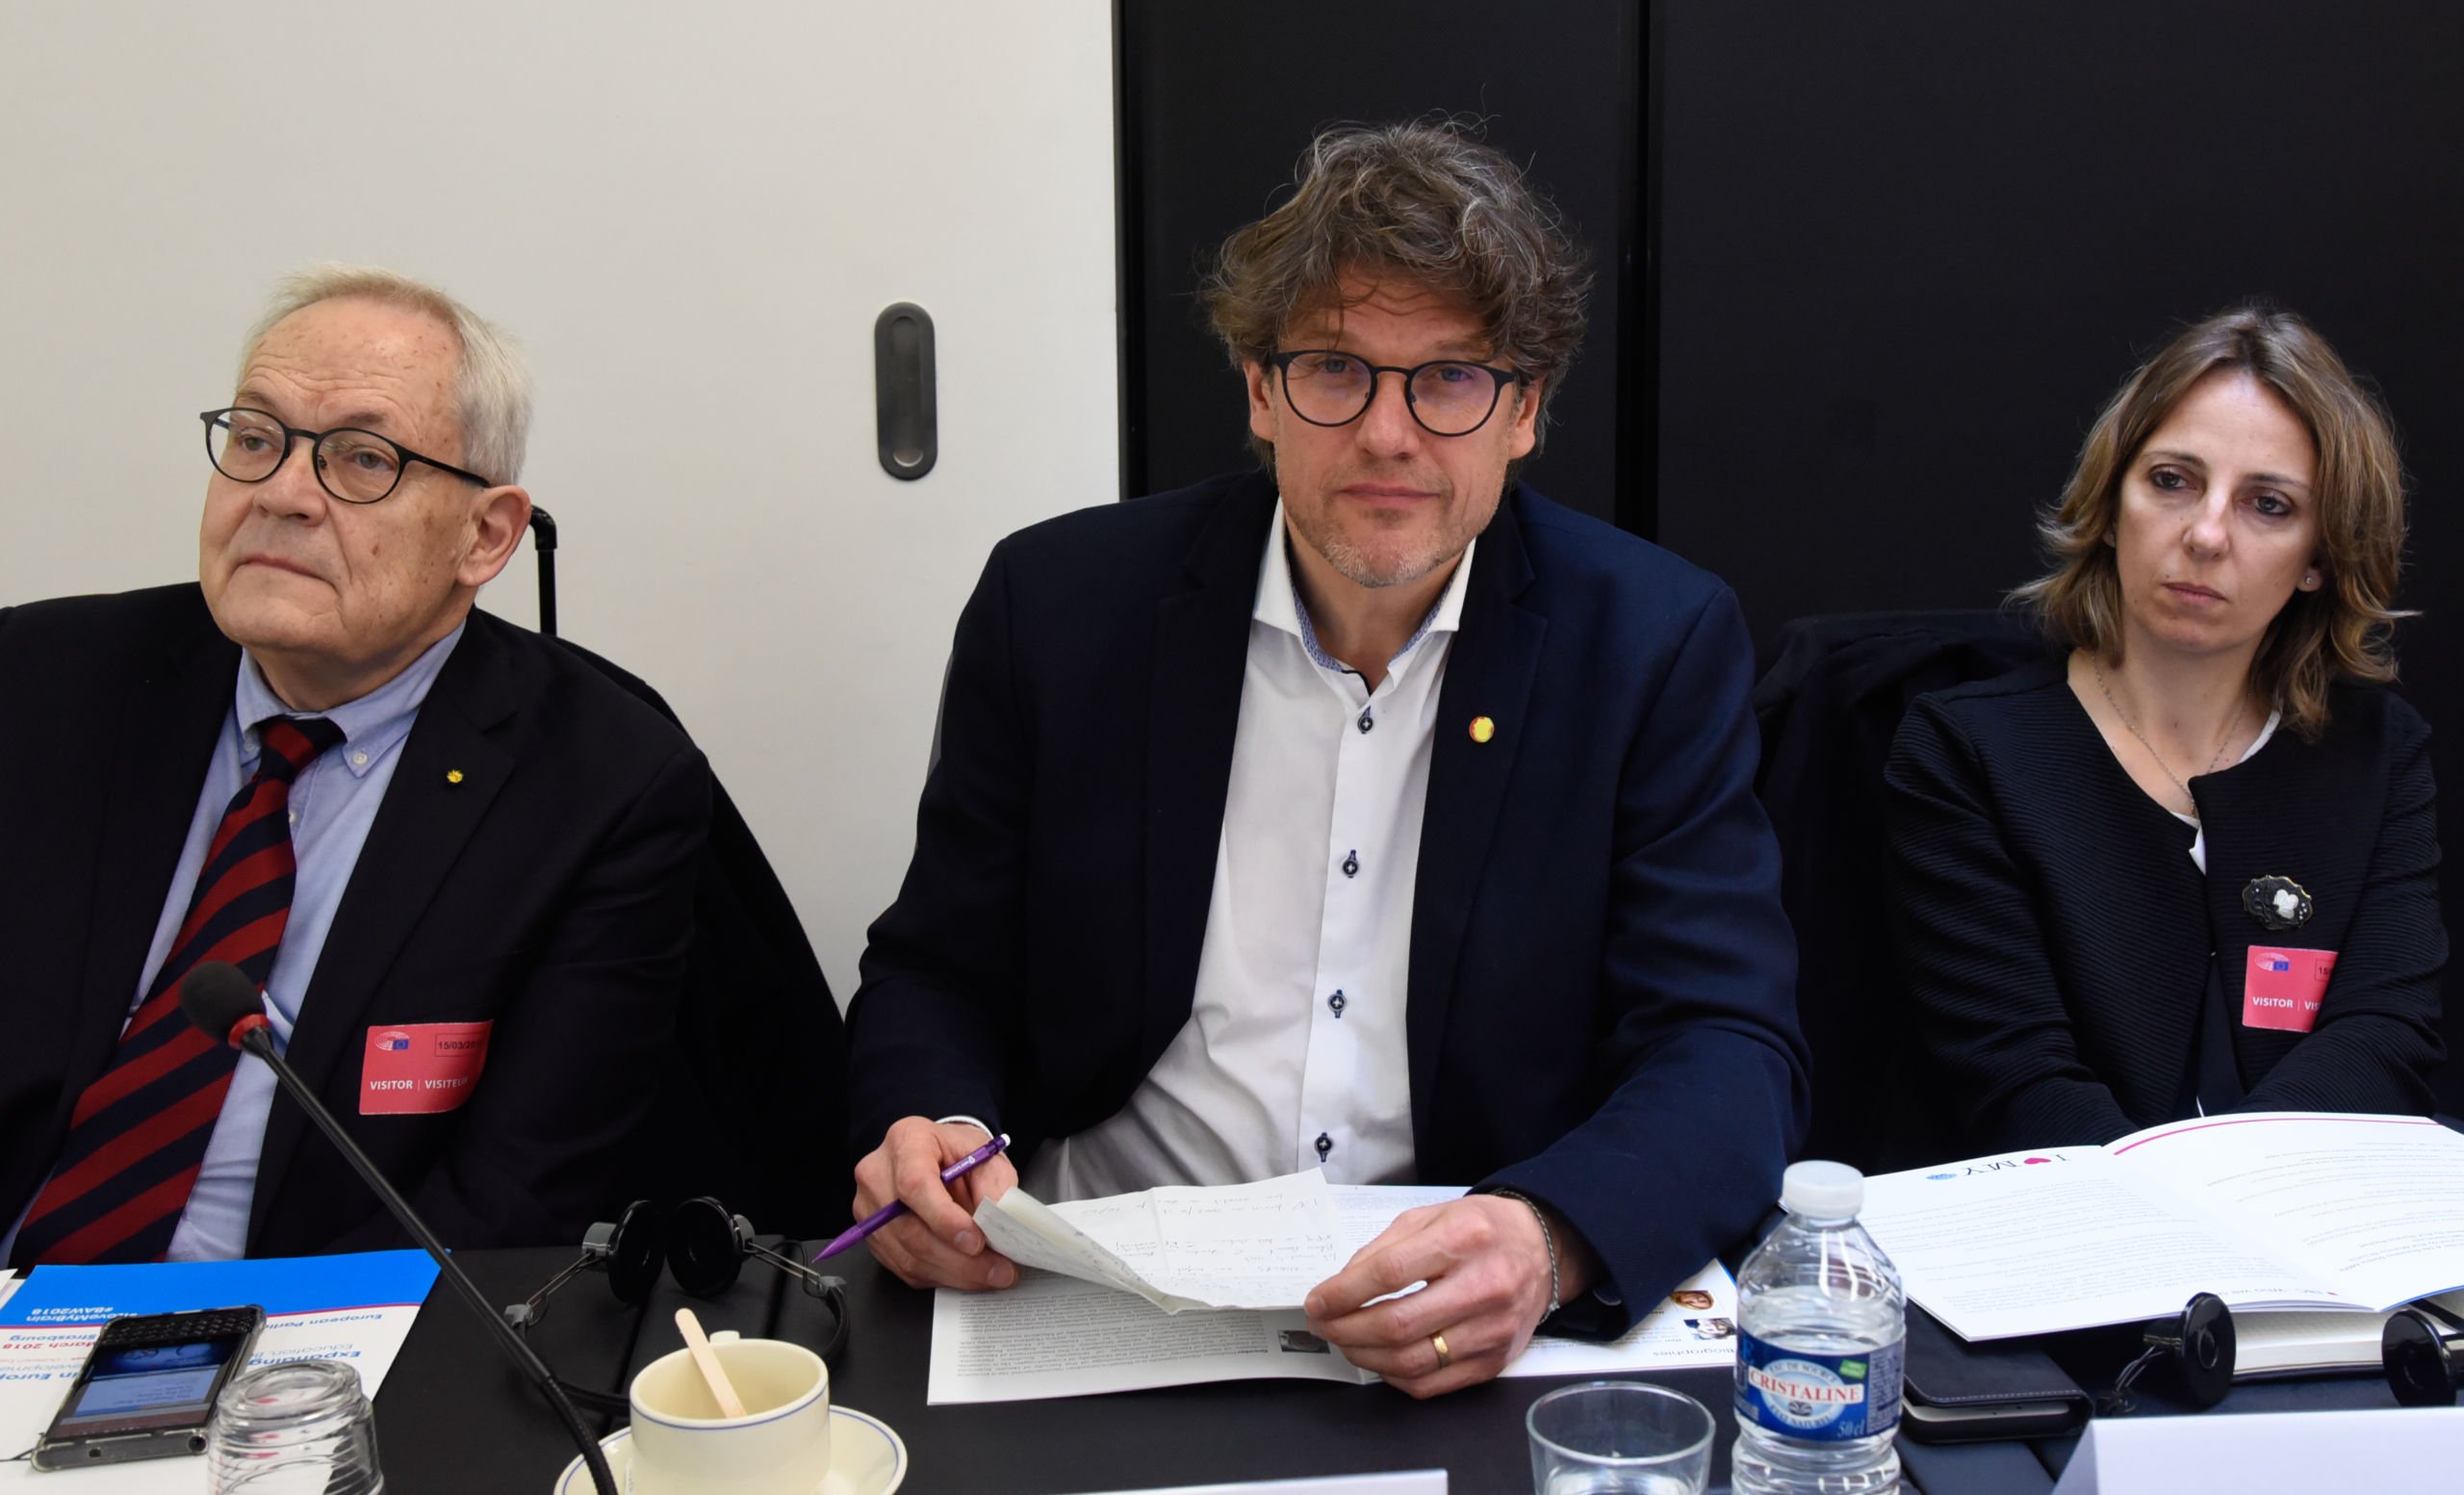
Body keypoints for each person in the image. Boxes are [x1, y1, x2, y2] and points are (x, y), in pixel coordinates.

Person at [846, 119, 1808, 1395]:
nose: (1389, 433)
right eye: (1336, 370)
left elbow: (1727, 1043)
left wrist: (1549, 1236)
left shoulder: (1650, 643)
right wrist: (937, 1127)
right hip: (1091, 1283)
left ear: (1524, 411)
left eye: (1451, 377)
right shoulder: (1060, 607)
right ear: (1260, 390)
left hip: (1449, 1308)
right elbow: (936, 969)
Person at [1, 266, 711, 1264]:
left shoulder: (602, 782)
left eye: (363, 459)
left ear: (485, 535)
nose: (281, 494)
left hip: (307, 1321)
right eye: (256, 438)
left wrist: (280, 1344)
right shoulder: (37, 684)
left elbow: (511, 1202)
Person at [1886, 306, 2446, 1155]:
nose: (2207, 534)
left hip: (2299, 1210)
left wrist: (2236, 1191)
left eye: (2268, 504)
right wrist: (2177, 1215)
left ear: (2319, 558)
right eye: (2173, 480)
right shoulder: (1965, 755)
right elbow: (2016, 1080)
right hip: (2069, 1216)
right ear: (2113, 505)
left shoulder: (2379, 753)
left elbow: (2385, 1035)